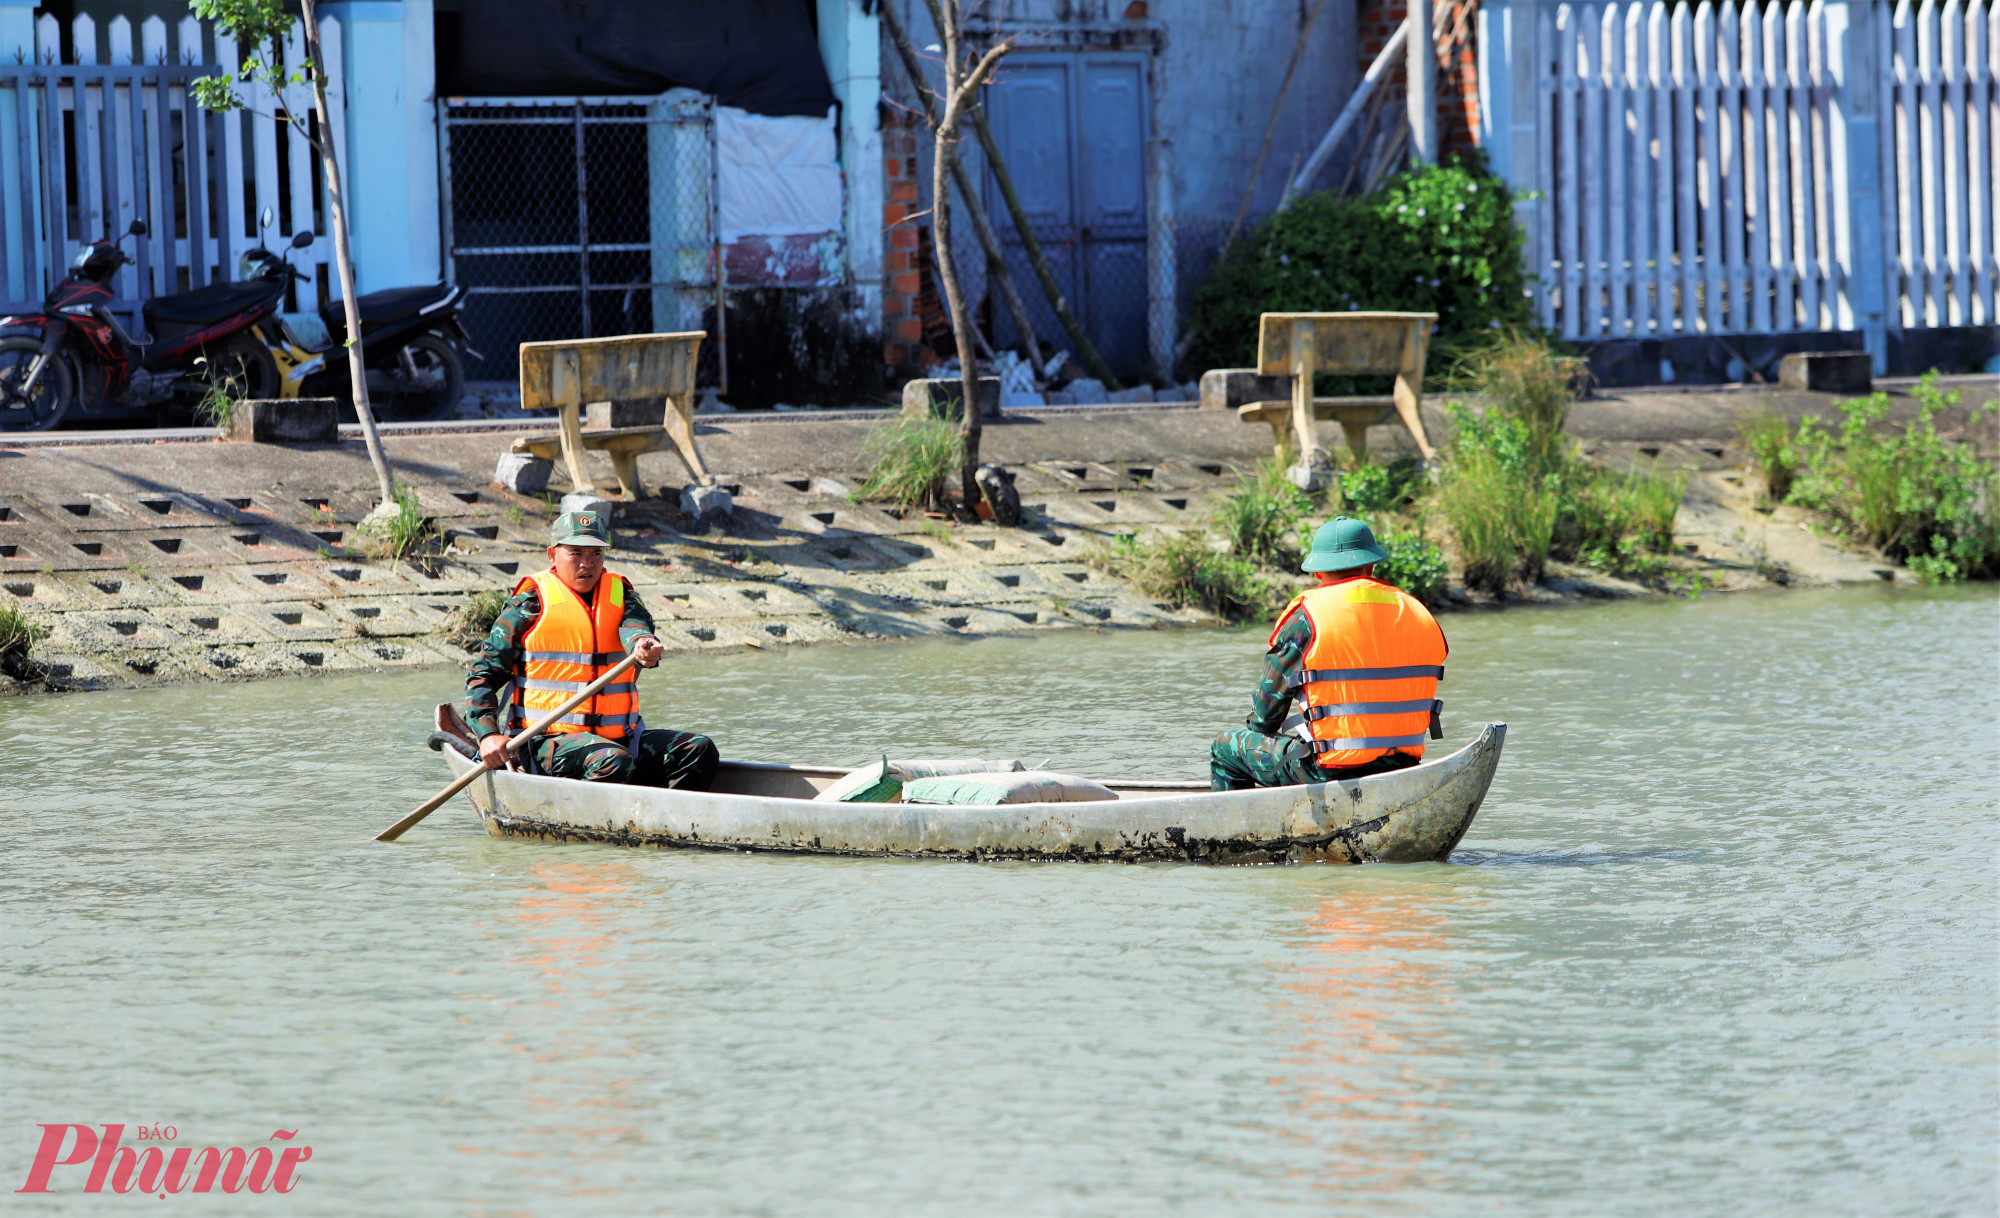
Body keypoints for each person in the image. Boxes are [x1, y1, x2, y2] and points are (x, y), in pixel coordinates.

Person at [464, 510, 718, 789]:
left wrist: (642, 645)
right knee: (612, 760)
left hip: (620, 739)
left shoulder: (622, 595)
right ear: (553, 555)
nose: (587, 563)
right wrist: (487, 735)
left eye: (596, 554)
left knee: (699, 749)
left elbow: (635, 627)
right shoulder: (528, 605)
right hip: (547, 742)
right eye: (576, 553)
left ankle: (666, 821)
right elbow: (483, 676)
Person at [1211, 516, 1449, 791]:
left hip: (1328, 768)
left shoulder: (1307, 618)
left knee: (1224, 748)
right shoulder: (1416, 611)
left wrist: (1265, 735)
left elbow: (1265, 717)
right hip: (1403, 764)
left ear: (1317, 573)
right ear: (1371, 566)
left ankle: (1245, 830)